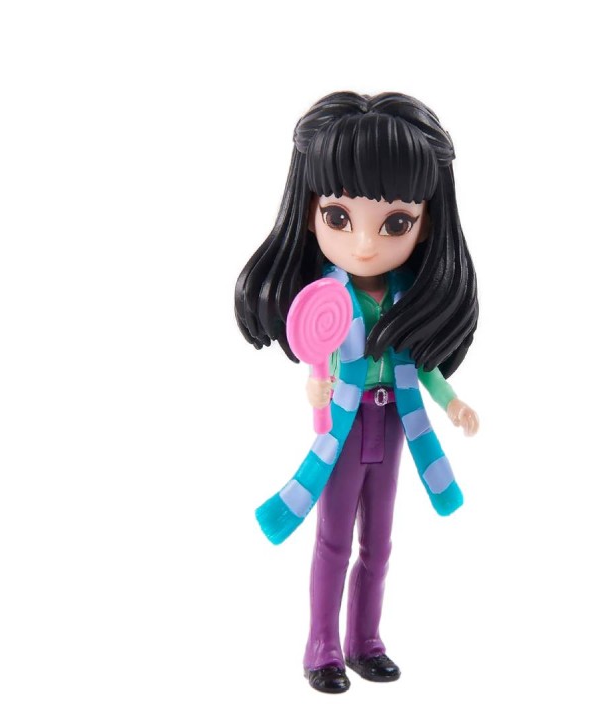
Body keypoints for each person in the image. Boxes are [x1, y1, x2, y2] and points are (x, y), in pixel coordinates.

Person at [235, 91, 480, 693]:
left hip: (393, 425)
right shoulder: (326, 297)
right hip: (344, 428)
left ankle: (365, 640)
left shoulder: (408, 299)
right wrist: (315, 386)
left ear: (426, 223)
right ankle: (322, 646)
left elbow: (422, 366)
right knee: (333, 538)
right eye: (339, 217)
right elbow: (316, 359)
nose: (365, 243)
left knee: (379, 541)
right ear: (309, 210)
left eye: (395, 223)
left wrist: (451, 402)